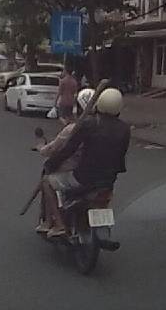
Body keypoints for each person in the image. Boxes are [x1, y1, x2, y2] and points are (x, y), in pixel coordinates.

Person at [39, 88, 131, 238]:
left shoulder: (89, 124)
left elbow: (68, 149)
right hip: (108, 181)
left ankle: (60, 225)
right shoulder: (125, 129)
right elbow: (121, 154)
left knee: (47, 182)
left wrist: (51, 164)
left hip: (83, 178)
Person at [34, 89, 95, 234]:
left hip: (75, 174)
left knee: (46, 182)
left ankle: (58, 224)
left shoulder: (73, 130)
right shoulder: (105, 128)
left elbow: (53, 148)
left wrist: (41, 148)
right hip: (101, 176)